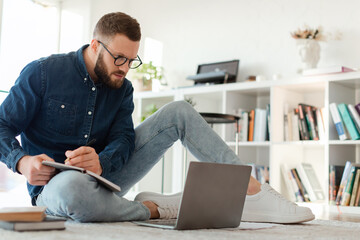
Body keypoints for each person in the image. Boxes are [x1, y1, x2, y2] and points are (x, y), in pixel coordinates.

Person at [0, 12, 314, 223]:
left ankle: (249, 190)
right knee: (72, 191)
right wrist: (21, 162)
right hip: (54, 188)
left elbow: (124, 139)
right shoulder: (43, 74)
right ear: (95, 45)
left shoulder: (122, 87)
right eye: (118, 58)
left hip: (106, 179)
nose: (124, 68)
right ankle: (156, 209)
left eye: (131, 61)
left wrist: (102, 162)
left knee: (179, 111)